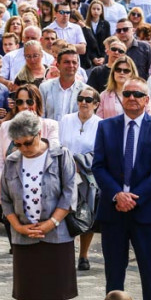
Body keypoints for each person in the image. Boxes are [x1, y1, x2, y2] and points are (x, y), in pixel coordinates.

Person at [92, 76, 151, 300]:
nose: (132, 98)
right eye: (128, 94)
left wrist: (134, 198)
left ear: (147, 100)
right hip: (113, 210)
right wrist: (118, 195)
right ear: (120, 97)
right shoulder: (106, 127)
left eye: (138, 94)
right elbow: (98, 166)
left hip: (146, 210)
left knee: (150, 271)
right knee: (114, 273)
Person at [0, 111, 78, 300]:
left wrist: (51, 222)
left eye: (28, 143)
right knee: (26, 289)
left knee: (55, 289)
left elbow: (69, 193)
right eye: (18, 144)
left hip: (56, 234)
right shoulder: (12, 160)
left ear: (39, 135)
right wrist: (18, 226)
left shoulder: (60, 155)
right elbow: (4, 200)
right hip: (24, 234)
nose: (23, 148)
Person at [58, 86, 103, 270]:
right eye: (81, 98)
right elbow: (58, 144)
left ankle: (83, 255)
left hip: (88, 175)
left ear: (96, 104)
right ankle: (65, 253)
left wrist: (80, 162)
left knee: (86, 213)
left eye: (88, 100)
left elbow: (100, 151)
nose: (84, 102)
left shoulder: (101, 124)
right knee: (64, 212)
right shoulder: (66, 119)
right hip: (65, 173)